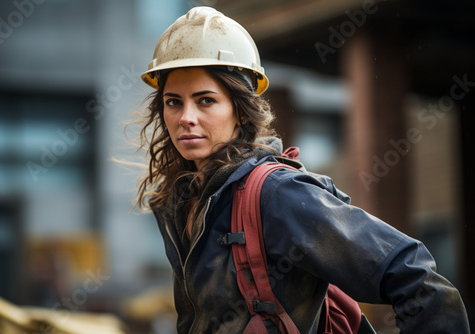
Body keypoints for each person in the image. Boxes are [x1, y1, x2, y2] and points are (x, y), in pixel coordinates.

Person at [135, 6, 470, 334]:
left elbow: (415, 278)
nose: (186, 117)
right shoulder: (178, 201)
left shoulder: (277, 193)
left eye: (206, 100)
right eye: (173, 101)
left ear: (240, 109)